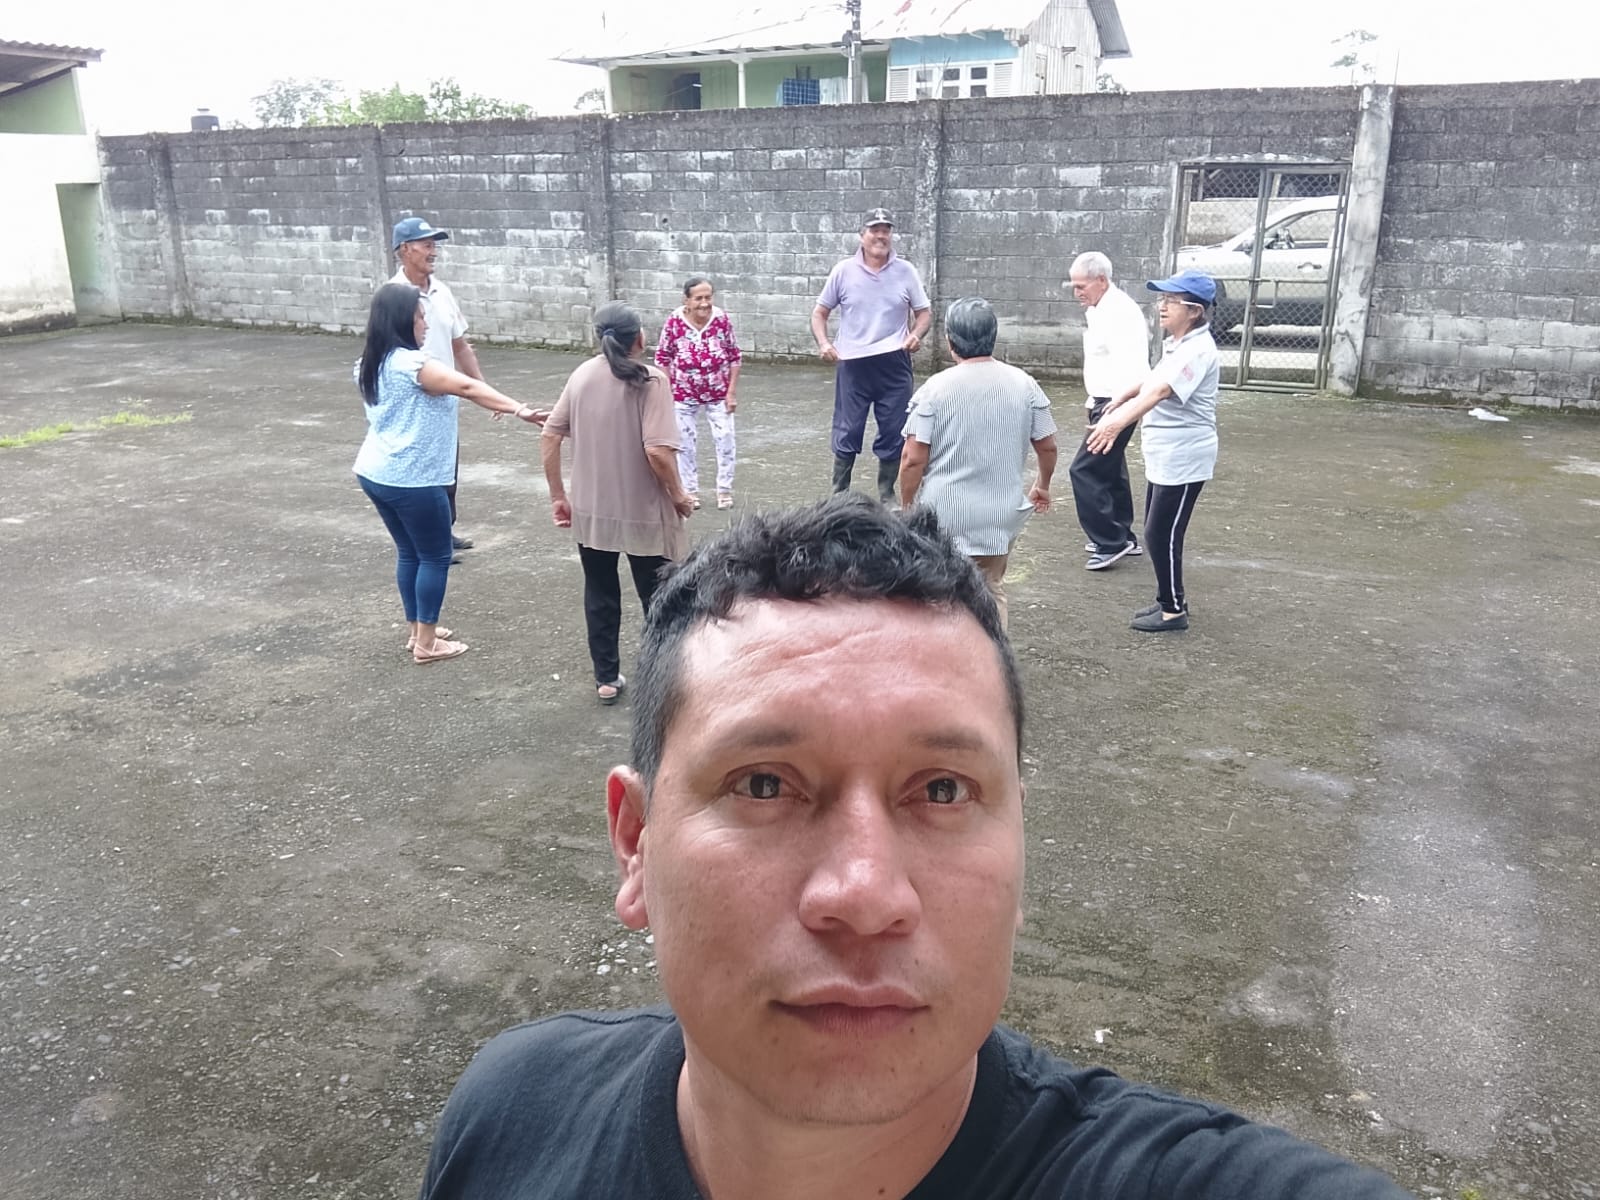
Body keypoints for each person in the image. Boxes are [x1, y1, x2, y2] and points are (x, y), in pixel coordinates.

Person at [418, 494, 1415, 1200]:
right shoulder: (510, 1116)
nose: (865, 893)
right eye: (763, 785)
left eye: (942, 790)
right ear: (635, 843)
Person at [352, 282, 544, 664]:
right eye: (420, 317)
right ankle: (427, 644)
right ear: (402, 321)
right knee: (435, 556)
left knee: (410, 552)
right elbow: (467, 386)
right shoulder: (413, 366)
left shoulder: (371, 362)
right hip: (413, 477)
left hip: (376, 470)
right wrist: (518, 409)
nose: (425, 324)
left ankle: (418, 631)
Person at [542, 301, 694, 704]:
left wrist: (559, 496)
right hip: (644, 513)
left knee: (600, 591)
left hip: (592, 510)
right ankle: (663, 680)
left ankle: (606, 678)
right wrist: (679, 495)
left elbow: (550, 435)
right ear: (639, 338)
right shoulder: (651, 380)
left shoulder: (582, 375)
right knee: (660, 599)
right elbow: (658, 451)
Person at [897, 297, 1057, 631]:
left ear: (949, 340)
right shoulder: (1025, 384)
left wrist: (909, 507)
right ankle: (993, 655)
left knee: (941, 594)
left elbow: (912, 459)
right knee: (991, 589)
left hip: (944, 514)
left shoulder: (935, 389)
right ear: (994, 335)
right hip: (1001, 512)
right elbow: (1047, 446)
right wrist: (1042, 485)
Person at [1085, 269, 1221, 633]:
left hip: (1185, 456)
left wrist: (1115, 424)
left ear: (1194, 311)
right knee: (1157, 531)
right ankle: (1169, 600)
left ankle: (1173, 610)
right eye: (1162, 299)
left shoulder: (1197, 351)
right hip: (1167, 455)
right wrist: (1123, 396)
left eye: (1171, 301)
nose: (1162, 307)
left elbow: (1161, 392)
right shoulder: (1179, 344)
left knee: (1162, 534)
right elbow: (1154, 380)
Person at [811, 207, 932, 503]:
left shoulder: (906, 271)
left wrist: (916, 334)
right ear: (861, 236)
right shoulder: (843, 271)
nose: (881, 236)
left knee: (894, 429)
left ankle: (886, 493)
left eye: (886, 230)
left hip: (894, 362)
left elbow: (924, 313)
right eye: (874, 230)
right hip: (854, 364)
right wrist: (824, 343)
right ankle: (840, 495)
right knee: (848, 428)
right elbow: (819, 313)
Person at [391, 216, 489, 563]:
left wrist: (480, 387)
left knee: (446, 470)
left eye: (434, 245)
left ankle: (443, 532)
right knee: (419, 476)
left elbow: (460, 345)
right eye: (426, 244)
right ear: (405, 249)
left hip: (445, 399)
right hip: (412, 401)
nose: (433, 251)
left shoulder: (441, 291)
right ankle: (426, 544)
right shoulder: (392, 296)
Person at [1066, 252, 1152, 571]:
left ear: (1101, 280)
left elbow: (1135, 370)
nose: (1077, 293)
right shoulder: (1100, 308)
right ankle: (1122, 535)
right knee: (1111, 467)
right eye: (1074, 286)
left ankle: (1109, 541)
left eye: (1081, 286)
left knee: (1084, 470)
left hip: (1118, 403)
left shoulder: (1119, 313)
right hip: (1105, 400)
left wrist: (1114, 411)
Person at [655, 276, 743, 511]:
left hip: (718, 391)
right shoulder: (674, 322)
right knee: (684, 443)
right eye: (698, 298)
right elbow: (662, 357)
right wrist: (667, 391)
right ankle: (690, 491)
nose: (705, 303)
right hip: (683, 392)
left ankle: (724, 490)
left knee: (725, 438)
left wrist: (731, 392)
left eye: (708, 297)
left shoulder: (721, 319)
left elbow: (734, 356)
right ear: (686, 300)